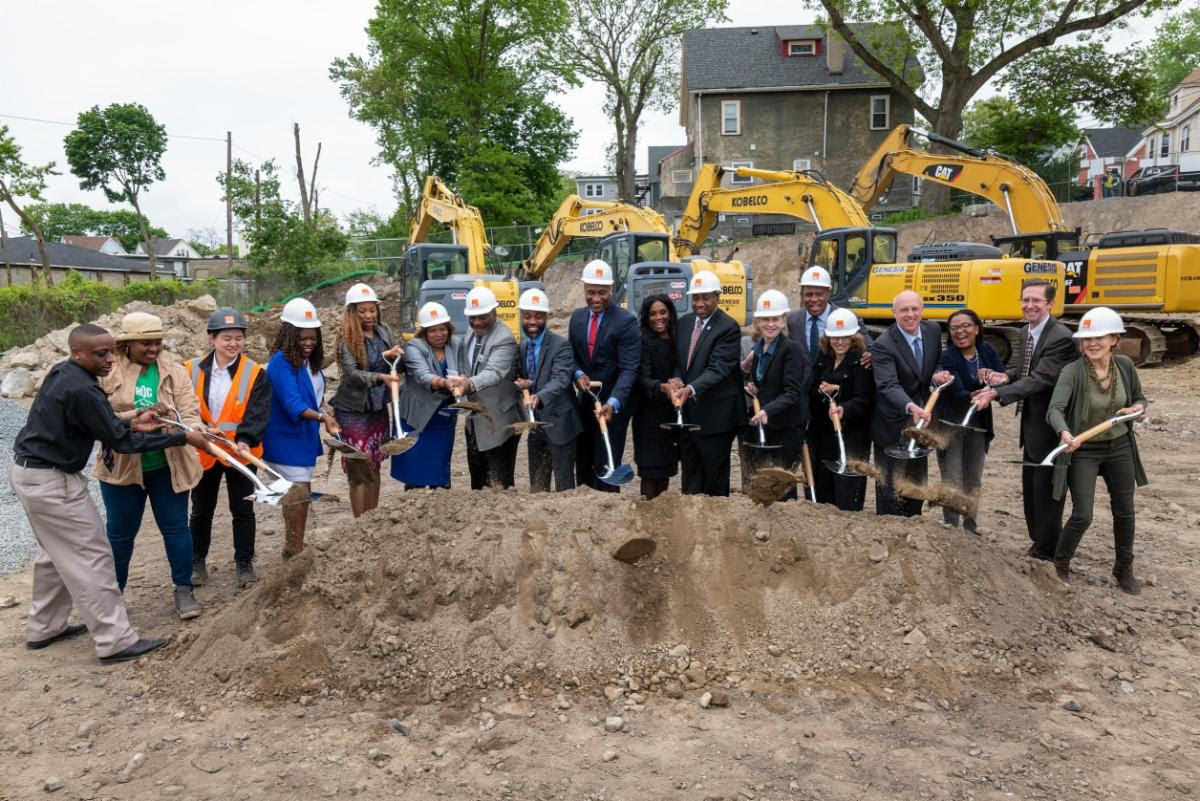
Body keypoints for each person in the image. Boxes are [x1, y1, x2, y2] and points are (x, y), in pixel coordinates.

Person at [11, 323, 209, 663]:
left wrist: (135, 419)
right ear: (78, 353)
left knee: (53, 555)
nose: (109, 359)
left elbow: (107, 424)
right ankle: (115, 640)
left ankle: (44, 627)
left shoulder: (65, 374)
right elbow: (122, 443)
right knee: (94, 556)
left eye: (110, 351)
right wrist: (181, 438)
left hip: (30, 474)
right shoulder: (84, 390)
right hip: (53, 481)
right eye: (101, 354)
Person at [95, 312, 204, 620]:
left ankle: (184, 589)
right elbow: (100, 417)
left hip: (168, 465)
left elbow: (190, 410)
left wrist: (188, 426)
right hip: (123, 467)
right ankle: (112, 597)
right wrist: (136, 416)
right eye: (146, 343)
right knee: (119, 534)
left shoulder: (174, 371)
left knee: (175, 528)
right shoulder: (108, 370)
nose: (154, 348)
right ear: (128, 344)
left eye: (158, 342)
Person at [972, 278, 1077, 560]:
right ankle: (1038, 541)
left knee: (1046, 491)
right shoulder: (1024, 333)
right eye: (1025, 300)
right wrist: (1004, 377)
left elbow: (1042, 379)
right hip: (1030, 425)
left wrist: (997, 393)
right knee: (1031, 489)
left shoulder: (1061, 339)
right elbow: (1026, 372)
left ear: (1050, 304)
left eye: (1036, 301)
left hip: (1050, 426)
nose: (1029, 305)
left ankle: (1046, 550)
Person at [1046, 307, 1148, 593]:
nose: (1092, 343)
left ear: (1114, 339)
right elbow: (1054, 410)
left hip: (1119, 446)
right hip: (1084, 449)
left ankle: (1123, 568)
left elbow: (1139, 397)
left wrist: (1138, 408)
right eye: (1087, 338)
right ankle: (1060, 564)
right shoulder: (1073, 372)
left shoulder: (1125, 366)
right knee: (1083, 515)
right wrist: (1064, 432)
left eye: (1099, 337)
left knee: (1125, 511)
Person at [185, 308, 271, 589]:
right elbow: (185, 407)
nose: (233, 343)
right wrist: (199, 432)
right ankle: (197, 560)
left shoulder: (255, 372)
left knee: (243, 509)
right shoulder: (191, 369)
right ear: (212, 338)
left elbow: (258, 411)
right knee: (201, 509)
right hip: (205, 451)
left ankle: (244, 563)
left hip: (239, 451)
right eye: (226, 338)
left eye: (238, 338)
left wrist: (246, 439)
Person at [262, 297, 338, 558]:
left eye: (312, 337)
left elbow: (313, 396)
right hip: (284, 440)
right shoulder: (281, 363)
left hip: (302, 438)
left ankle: (293, 545)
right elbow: (294, 404)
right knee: (299, 492)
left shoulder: (309, 363)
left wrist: (326, 409)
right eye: (302, 337)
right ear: (289, 333)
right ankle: (294, 548)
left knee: (296, 494)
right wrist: (323, 419)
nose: (308, 343)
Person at [870, 291, 948, 517]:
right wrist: (910, 406)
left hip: (921, 421)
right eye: (904, 310)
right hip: (892, 421)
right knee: (889, 484)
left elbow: (936, 363)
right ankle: (888, 527)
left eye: (915, 309)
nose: (910, 314)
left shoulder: (932, 331)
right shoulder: (883, 345)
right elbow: (888, 385)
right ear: (894, 313)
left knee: (916, 478)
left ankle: (914, 523)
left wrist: (938, 375)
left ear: (922, 310)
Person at [330, 283, 402, 517]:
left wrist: (391, 354)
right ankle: (359, 524)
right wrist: (381, 377)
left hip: (377, 408)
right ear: (352, 312)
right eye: (362, 311)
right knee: (359, 469)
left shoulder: (383, 330)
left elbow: (377, 357)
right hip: (353, 411)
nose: (369, 315)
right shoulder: (346, 338)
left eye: (372, 310)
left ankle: (373, 519)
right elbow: (352, 372)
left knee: (375, 463)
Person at [672, 270, 746, 496]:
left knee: (714, 477)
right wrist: (676, 379)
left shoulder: (728, 327)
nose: (699, 303)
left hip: (717, 417)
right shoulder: (684, 324)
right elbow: (681, 361)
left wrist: (690, 388)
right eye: (695, 298)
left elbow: (719, 369)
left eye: (705, 297)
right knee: (691, 474)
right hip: (689, 415)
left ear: (717, 297)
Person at [569, 260, 641, 491]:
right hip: (586, 401)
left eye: (602, 292)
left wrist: (613, 402)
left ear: (611, 290)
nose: (596, 298)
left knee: (606, 463)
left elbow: (629, 369)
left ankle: (607, 508)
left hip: (612, 406)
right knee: (583, 459)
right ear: (584, 290)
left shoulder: (626, 322)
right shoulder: (577, 318)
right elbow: (571, 356)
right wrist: (578, 374)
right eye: (591, 292)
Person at [935, 309, 1005, 533]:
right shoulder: (948, 357)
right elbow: (956, 395)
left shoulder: (987, 350)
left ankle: (970, 527)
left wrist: (995, 380)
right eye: (954, 328)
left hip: (978, 424)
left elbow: (1001, 378)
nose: (960, 332)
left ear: (977, 328)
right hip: (951, 424)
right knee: (952, 479)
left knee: (973, 479)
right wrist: (981, 388)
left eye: (965, 326)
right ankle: (952, 528)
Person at [451, 286, 522, 489]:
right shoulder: (472, 335)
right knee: (478, 479)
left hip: (499, 421)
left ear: (495, 313)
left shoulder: (504, 339)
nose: (477, 322)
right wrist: (464, 377)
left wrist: (469, 383)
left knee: (500, 481)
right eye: (472, 318)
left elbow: (494, 372)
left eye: (482, 317)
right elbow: (469, 366)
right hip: (475, 421)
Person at [741, 289, 808, 498]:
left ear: (784, 320)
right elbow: (765, 381)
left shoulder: (791, 350)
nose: (770, 324)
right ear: (758, 321)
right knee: (768, 482)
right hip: (769, 423)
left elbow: (792, 392)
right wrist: (753, 386)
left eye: (776, 319)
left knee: (783, 483)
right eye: (765, 319)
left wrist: (767, 409)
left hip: (787, 425)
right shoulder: (759, 348)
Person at [516, 288, 580, 492]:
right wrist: (522, 384)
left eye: (537, 316)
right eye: (527, 316)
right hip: (536, 425)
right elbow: (522, 377)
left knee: (564, 487)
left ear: (545, 317)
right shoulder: (524, 346)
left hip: (560, 423)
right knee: (537, 486)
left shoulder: (561, 346)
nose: (532, 321)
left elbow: (561, 379)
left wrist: (538, 396)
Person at [809, 308, 874, 511]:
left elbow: (864, 398)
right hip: (824, 432)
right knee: (824, 483)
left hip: (852, 434)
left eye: (845, 338)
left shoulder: (862, 361)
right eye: (834, 338)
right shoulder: (824, 356)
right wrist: (821, 390)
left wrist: (843, 404)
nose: (839, 343)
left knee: (848, 487)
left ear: (854, 337)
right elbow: (811, 384)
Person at [393, 302, 460, 489]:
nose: (439, 334)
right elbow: (423, 375)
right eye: (433, 331)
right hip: (417, 416)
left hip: (443, 416)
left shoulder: (455, 345)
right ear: (424, 332)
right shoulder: (414, 347)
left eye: (442, 329)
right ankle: (413, 499)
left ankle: (439, 502)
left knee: (439, 463)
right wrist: (444, 382)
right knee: (415, 465)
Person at [632, 294, 680, 499]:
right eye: (653, 314)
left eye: (662, 312)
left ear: (669, 313)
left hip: (670, 409)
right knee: (650, 470)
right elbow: (642, 377)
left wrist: (677, 379)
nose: (658, 318)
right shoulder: (643, 340)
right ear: (646, 316)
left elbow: (680, 365)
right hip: (649, 414)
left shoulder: (676, 337)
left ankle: (662, 512)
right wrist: (663, 388)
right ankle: (647, 512)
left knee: (666, 467)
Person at [785, 266, 871, 369]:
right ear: (801, 295)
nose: (814, 299)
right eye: (808, 294)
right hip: (799, 384)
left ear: (828, 294)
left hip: (833, 383)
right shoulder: (791, 320)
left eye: (819, 294)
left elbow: (870, 347)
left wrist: (871, 355)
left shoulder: (849, 318)